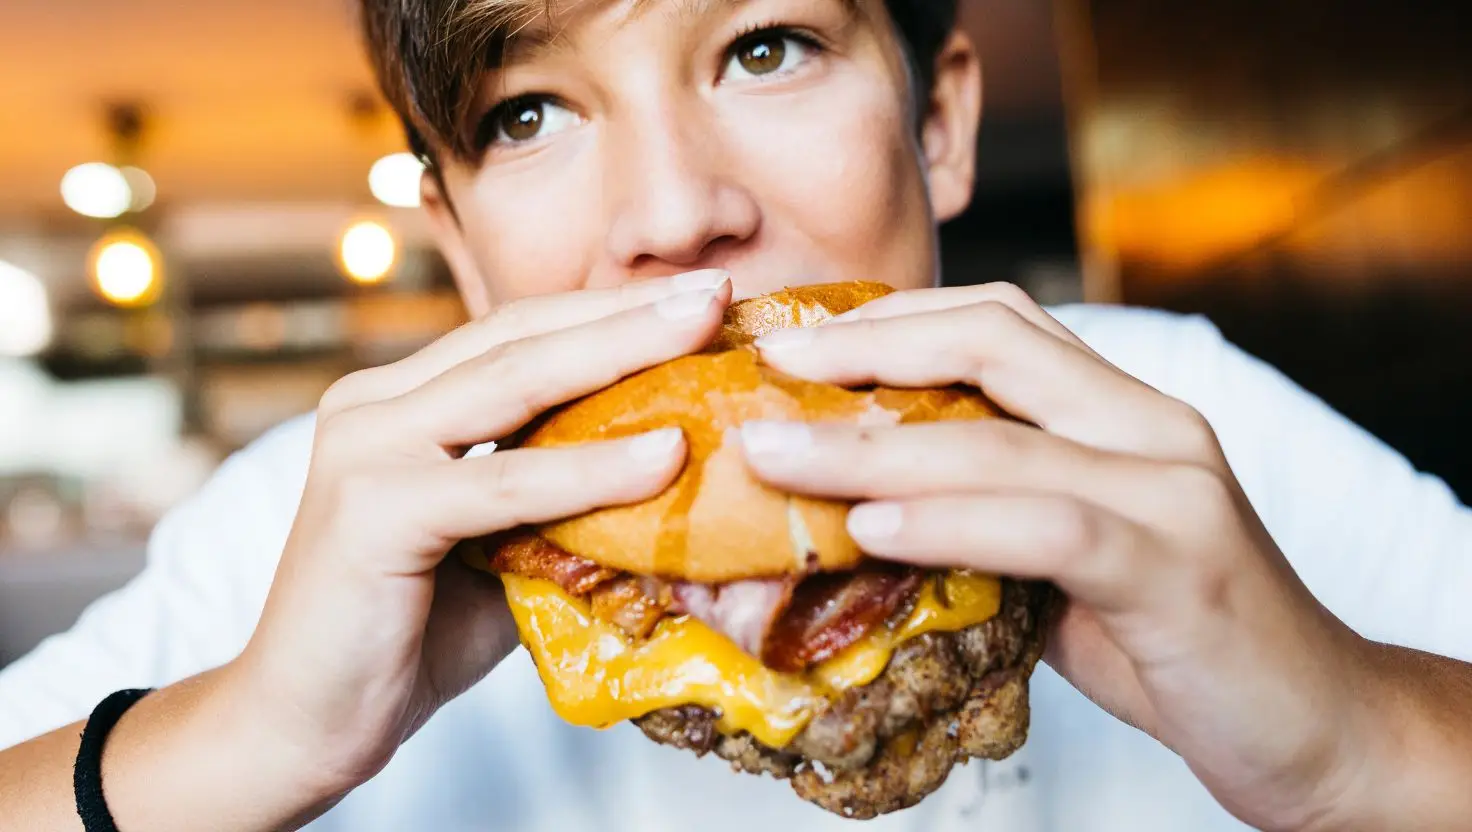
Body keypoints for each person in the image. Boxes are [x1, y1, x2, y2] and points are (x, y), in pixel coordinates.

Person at [2, 0, 1471, 829]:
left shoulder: (1172, 417)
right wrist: (245, 738)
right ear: (459, 248)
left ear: (938, 124)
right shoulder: (302, 523)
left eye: (766, 45)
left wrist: (1360, 743)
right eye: (529, 114)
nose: (675, 216)